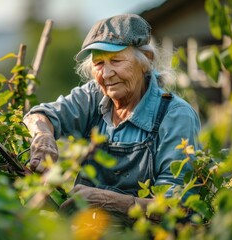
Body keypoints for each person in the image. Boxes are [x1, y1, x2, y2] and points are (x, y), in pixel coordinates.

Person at [23, 14, 201, 224]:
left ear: (146, 61)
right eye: (99, 63)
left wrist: (106, 201)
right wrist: (42, 135)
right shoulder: (94, 95)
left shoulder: (175, 115)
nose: (106, 74)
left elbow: (177, 206)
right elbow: (39, 115)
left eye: (116, 60)